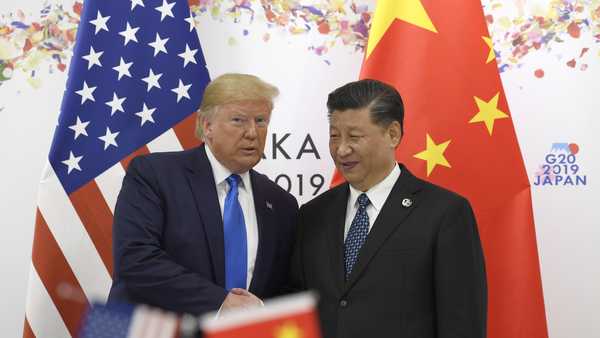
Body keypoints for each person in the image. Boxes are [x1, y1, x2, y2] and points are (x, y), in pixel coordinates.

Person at [290, 79, 487, 338]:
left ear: (393, 134)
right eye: (334, 136)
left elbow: (462, 322)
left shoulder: (445, 213)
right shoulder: (313, 214)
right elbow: (297, 307)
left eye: (354, 137)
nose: (341, 149)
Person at [108, 73, 298, 315]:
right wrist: (220, 303)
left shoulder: (282, 204)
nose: (252, 133)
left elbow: (283, 287)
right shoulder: (155, 175)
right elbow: (135, 259)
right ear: (207, 126)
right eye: (239, 120)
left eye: (261, 121)